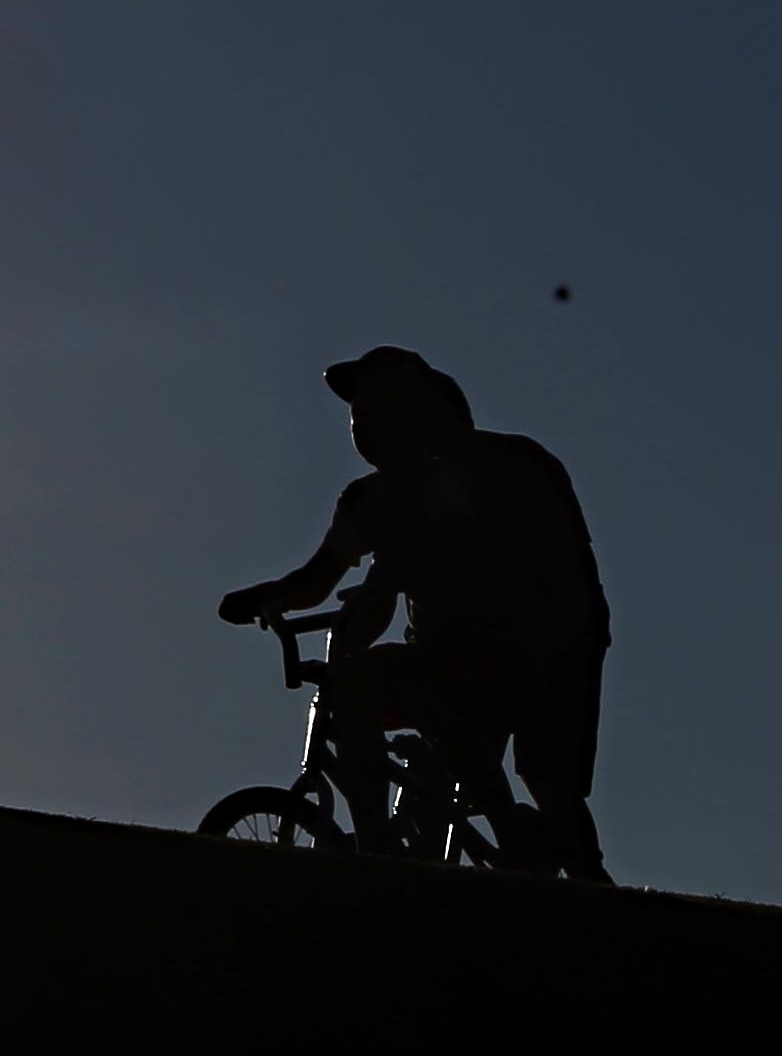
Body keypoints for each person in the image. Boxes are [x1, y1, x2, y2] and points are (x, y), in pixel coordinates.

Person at [219, 348, 612, 881]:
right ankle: (381, 850)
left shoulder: (470, 472)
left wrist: (381, 588)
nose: (366, 425)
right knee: (371, 697)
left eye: (381, 408)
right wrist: (264, 599)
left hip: (539, 646)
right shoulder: (369, 499)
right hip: (446, 653)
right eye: (360, 413)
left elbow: (439, 552)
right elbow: (320, 577)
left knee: (545, 775)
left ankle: (587, 883)